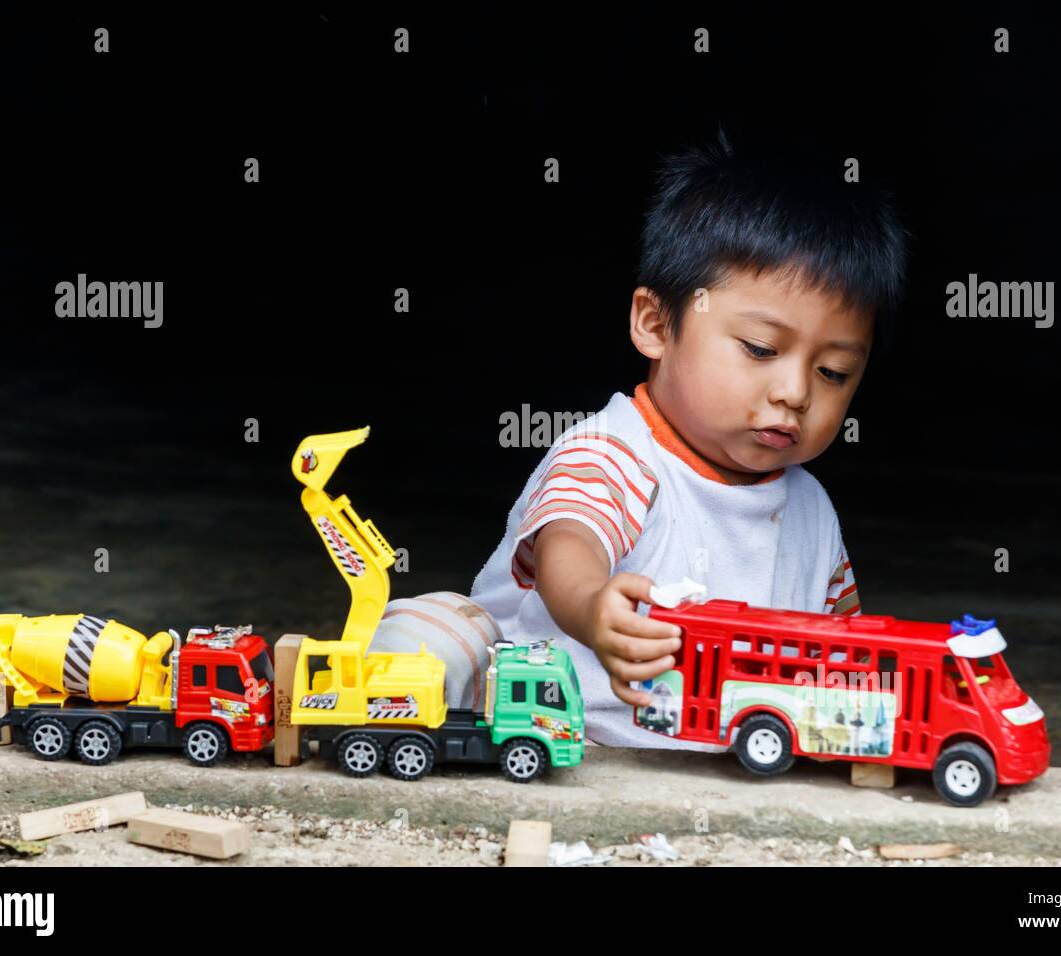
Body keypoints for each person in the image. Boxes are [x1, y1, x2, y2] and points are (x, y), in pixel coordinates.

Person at [374, 128, 910, 749]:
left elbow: (846, 635)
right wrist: (594, 607)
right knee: (438, 631)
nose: (795, 391)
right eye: (761, 349)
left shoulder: (810, 508)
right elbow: (569, 544)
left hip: (712, 750)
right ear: (656, 325)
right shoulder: (615, 452)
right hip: (546, 730)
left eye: (833, 372)